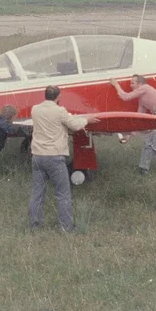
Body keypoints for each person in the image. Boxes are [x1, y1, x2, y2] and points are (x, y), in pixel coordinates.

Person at [28, 86, 99, 232]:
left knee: (37, 192)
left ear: (45, 95)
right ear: (58, 97)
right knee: (63, 193)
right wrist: (86, 119)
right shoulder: (60, 111)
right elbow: (74, 124)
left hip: (37, 156)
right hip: (54, 156)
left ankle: (34, 225)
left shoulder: (35, 109)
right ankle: (66, 227)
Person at [109, 74, 156, 174]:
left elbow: (125, 97)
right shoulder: (142, 100)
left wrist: (116, 85)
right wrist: (129, 136)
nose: (130, 85)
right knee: (147, 142)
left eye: (132, 83)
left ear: (140, 84)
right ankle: (144, 169)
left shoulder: (145, 88)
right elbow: (139, 119)